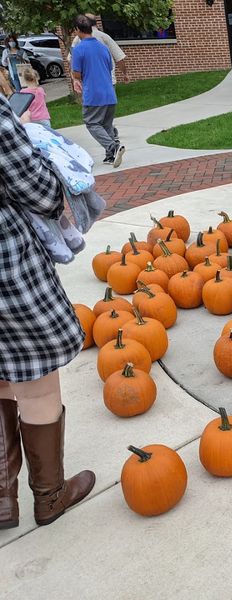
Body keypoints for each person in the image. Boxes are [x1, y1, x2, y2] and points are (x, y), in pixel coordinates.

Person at [0, 96, 96, 530]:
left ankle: (3, 498)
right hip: (7, 264)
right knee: (35, 380)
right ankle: (49, 496)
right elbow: (36, 187)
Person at [71, 15, 125, 167]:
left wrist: (77, 78)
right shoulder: (103, 48)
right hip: (109, 92)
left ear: (77, 30)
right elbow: (109, 68)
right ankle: (110, 156)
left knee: (92, 123)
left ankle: (113, 147)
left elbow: (77, 74)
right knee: (106, 125)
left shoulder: (79, 49)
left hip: (93, 94)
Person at [70, 13, 129, 86]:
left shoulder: (77, 40)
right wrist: (125, 74)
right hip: (108, 81)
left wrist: (75, 79)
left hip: (89, 84)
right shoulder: (104, 37)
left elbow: (71, 59)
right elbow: (119, 57)